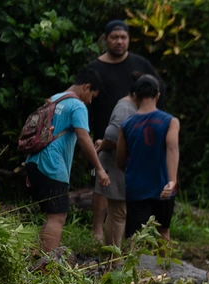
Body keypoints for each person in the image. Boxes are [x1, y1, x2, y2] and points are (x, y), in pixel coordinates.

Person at [24, 66, 110, 255]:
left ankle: (39, 260)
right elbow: (83, 137)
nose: (90, 101)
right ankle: (47, 268)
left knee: (51, 215)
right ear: (86, 87)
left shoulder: (54, 98)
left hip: (35, 161)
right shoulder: (77, 105)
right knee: (58, 216)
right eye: (92, 96)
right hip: (52, 165)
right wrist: (100, 168)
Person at [87, 20, 160, 243]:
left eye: (123, 37)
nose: (119, 41)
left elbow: (158, 91)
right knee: (103, 186)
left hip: (134, 140)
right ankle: (97, 230)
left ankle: (125, 242)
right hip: (105, 136)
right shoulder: (95, 68)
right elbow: (86, 101)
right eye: (114, 37)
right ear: (105, 39)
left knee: (121, 200)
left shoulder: (140, 64)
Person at [117, 76, 179, 241]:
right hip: (163, 186)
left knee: (134, 237)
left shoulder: (126, 125)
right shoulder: (170, 121)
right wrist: (172, 181)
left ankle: (134, 267)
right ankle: (164, 267)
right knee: (163, 232)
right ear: (157, 95)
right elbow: (172, 149)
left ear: (135, 96)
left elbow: (120, 160)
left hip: (137, 187)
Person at [92, 75, 142, 247]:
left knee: (125, 213)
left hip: (126, 167)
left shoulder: (132, 106)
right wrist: (104, 145)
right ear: (136, 94)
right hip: (116, 165)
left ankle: (124, 257)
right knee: (118, 212)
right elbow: (113, 135)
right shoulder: (125, 108)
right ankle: (115, 260)